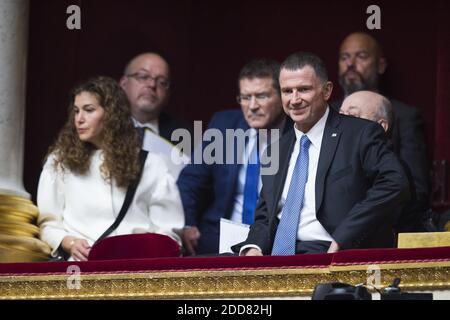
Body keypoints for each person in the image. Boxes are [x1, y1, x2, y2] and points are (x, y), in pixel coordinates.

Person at [233, 52, 409, 256]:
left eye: (304, 90)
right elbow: (266, 216)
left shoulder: (359, 133)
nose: (294, 100)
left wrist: (344, 237)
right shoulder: (276, 148)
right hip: (277, 256)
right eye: (287, 91)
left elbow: (396, 183)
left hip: (333, 253)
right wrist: (254, 247)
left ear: (326, 91)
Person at [37, 76, 184, 261]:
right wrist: (69, 242)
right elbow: (48, 224)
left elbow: (168, 231)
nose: (79, 119)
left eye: (88, 110)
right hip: (81, 269)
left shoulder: (150, 163)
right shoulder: (59, 161)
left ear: (111, 114)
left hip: (136, 271)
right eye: (76, 111)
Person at [177, 59, 291, 255]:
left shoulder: (298, 132)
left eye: (262, 96)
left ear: (281, 96)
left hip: (276, 241)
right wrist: (187, 223)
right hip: (220, 240)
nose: (252, 106)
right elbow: (190, 181)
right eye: (245, 97)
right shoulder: (224, 125)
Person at [333, 32, 429, 231]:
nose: (351, 63)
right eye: (345, 57)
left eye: (361, 56)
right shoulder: (326, 114)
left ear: (381, 65)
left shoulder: (405, 116)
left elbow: (416, 189)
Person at [340, 91, 424, 232]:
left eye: (353, 115)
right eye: (340, 115)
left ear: (381, 126)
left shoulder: (390, 170)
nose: (342, 122)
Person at [119, 52, 191, 178]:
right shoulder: (100, 125)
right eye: (143, 77)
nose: (152, 85)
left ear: (168, 95)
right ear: (124, 84)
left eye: (162, 82)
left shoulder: (184, 134)